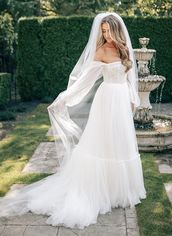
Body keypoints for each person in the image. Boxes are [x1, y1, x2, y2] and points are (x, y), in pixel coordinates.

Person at [0, 12, 146, 229]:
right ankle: (98, 189)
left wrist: (133, 101)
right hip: (106, 101)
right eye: (102, 31)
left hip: (121, 102)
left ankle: (119, 191)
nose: (105, 34)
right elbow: (83, 80)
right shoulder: (101, 51)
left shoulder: (125, 49)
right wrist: (63, 98)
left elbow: (129, 80)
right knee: (101, 145)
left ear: (116, 30)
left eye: (107, 30)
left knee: (119, 145)